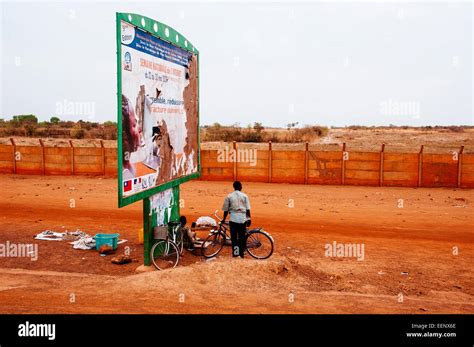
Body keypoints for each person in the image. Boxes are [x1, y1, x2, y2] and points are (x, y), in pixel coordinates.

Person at [221, 181, 251, 258]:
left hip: (233, 220)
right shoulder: (245, 196)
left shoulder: (229, 196)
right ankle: (241, 254)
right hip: (242, 219)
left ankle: (235, 253)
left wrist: (223, 219)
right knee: (242, 237)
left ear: (233, 187)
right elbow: (248, 209)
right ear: (240, 187)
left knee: (234, 238)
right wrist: (249, 219)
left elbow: (226, 210)